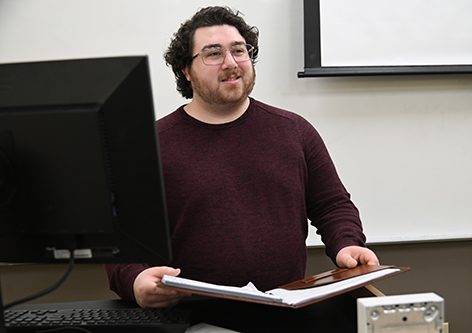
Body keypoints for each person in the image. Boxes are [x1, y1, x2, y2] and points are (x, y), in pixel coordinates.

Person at [105, 6, 379, 309]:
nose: (231, 63)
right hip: (191, 317)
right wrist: (134, 281)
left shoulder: (295, 131)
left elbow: (333, 206)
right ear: (186, 69)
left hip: (285, 314)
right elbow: (120, 244)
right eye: (213, 53)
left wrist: (347, 243)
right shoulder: (150, 145)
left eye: (239, 50)